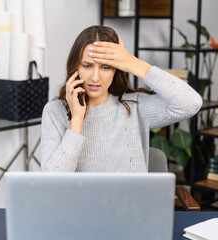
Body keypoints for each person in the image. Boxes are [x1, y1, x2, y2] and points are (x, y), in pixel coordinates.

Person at [41, 25, 202, 172]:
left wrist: (133, 63)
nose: (95, 78)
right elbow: (51, 181)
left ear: (116, 69)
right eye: (87, 66)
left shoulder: (135, 106)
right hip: (83, 203)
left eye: (105, 67)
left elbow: (191, 103)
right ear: (75, 67)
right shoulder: (54, 111)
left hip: (131, 203)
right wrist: (76, 120)